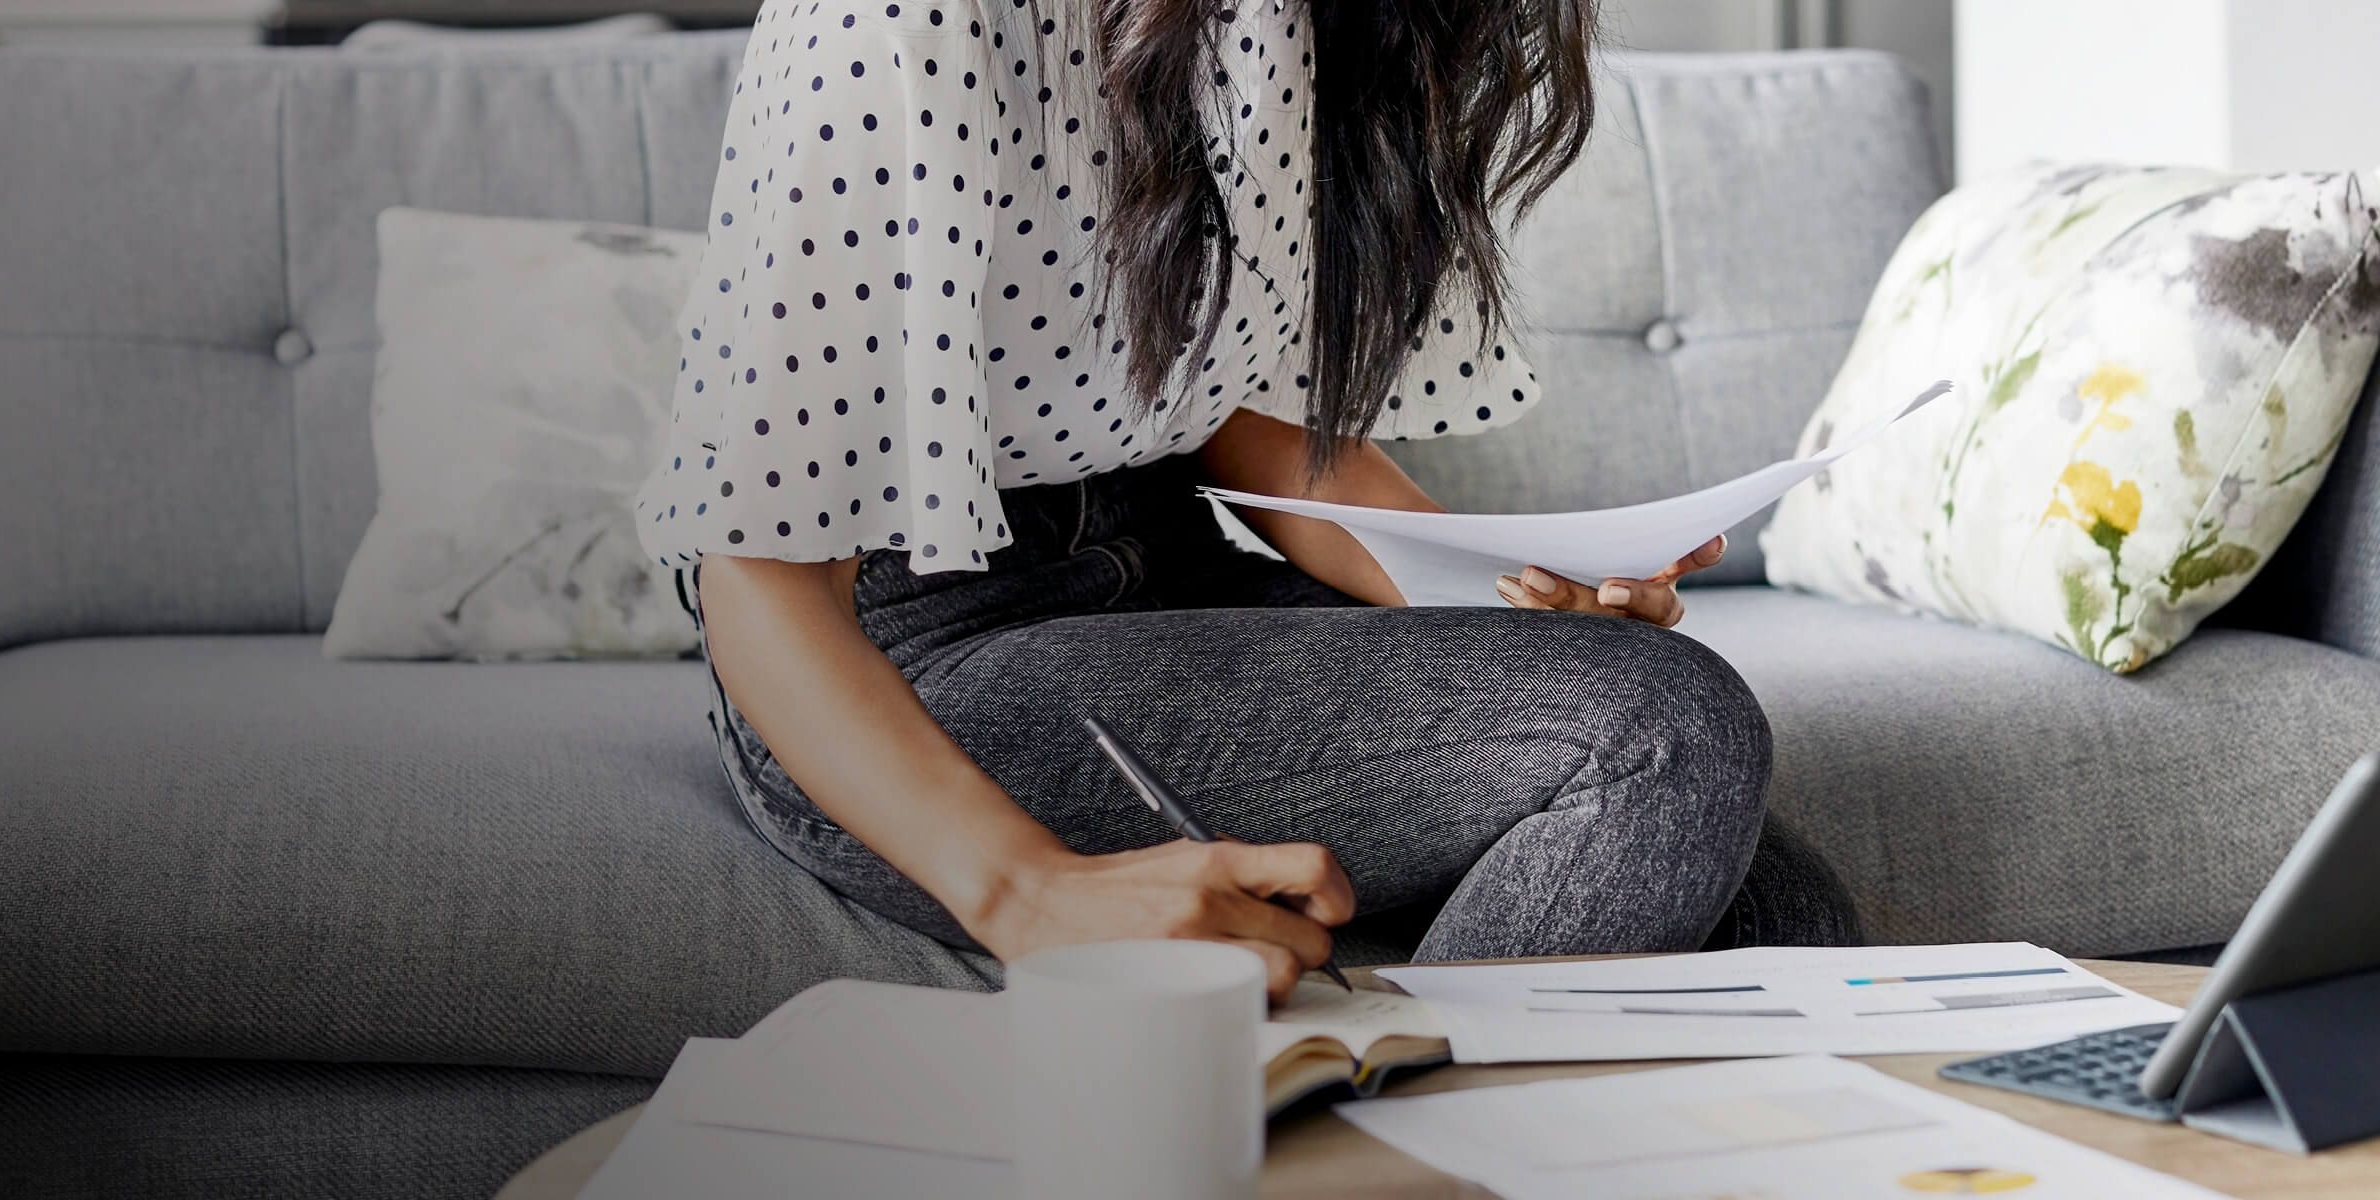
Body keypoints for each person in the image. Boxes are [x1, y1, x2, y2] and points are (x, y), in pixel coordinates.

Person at [633, 0, 1859, 1003]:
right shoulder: (906, 19)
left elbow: (1249, 424)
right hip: (905, 649)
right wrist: (1028, 894)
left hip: (1167, 568)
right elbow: (757, 573)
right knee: (1666, 726)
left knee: (1775, 907)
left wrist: (1508, 598)